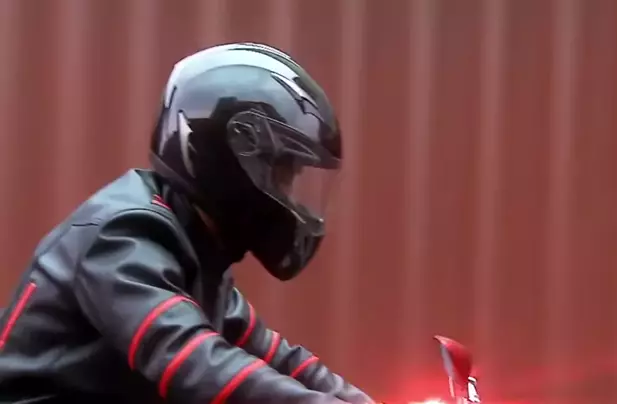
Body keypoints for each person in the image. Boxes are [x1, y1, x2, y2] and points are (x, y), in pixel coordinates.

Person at [0, 43, 373, 404]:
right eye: (282, 176)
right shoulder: (123, 237)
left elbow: (273, 354)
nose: (290, 196)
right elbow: (191, 359)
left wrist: (356, 398)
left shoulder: (195, 248)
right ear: (233, 157)